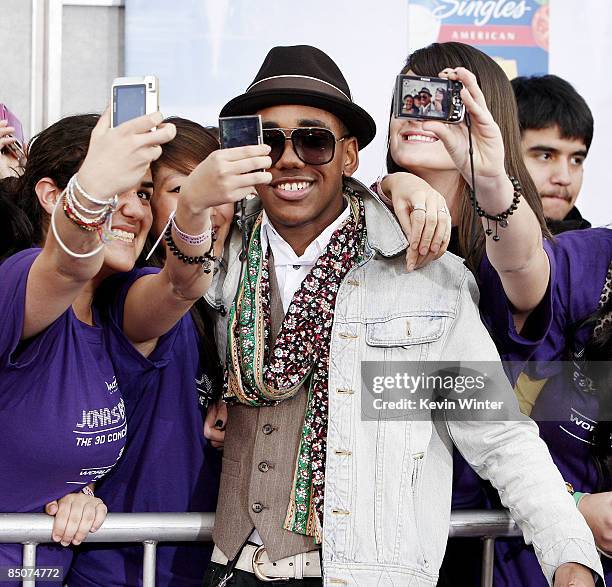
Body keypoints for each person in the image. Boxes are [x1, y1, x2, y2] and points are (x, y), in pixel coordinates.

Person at [199, 44, 602, 586]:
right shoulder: (223, 253)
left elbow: (498, 430)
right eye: (270, 142)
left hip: (392, 558)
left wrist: (568, 549)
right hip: (237, 565)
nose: (289, 157)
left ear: (348, 154)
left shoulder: (434, 276)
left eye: (314, 140)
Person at [0, 111, 173, 583]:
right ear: (52, 196)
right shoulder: (19, 277)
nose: (134, 210)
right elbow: (67, 264)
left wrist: (81, 492)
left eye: (141, 193)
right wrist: (92, 192)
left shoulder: (107, 314)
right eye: (114, 191)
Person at [67, 118, 230, 586]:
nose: (208, 206)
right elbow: (176, 287)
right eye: (182, 189)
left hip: (199, 562)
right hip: (122, 566)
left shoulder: (236, 295)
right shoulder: (131, 291)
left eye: (218, 187)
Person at [512, 74, 594, 233]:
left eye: (576, 160)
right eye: (546, 156)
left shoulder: (599, 254)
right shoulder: (453, 247)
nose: (565, 178)